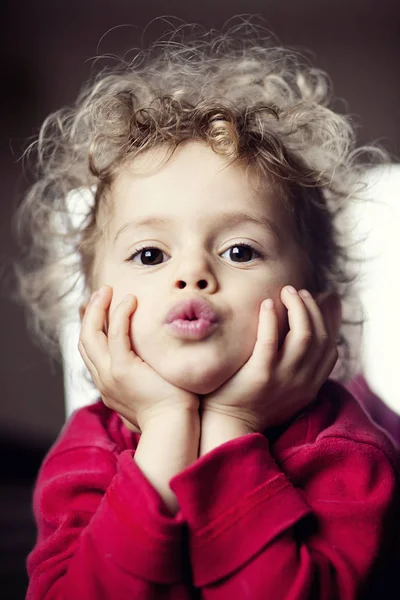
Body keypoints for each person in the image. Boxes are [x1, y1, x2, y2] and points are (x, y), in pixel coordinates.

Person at [16, 25, 400, 599]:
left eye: (240, 251)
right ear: (93, 316)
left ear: (317, 313)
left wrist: (233, 425)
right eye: (150, 254)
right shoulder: (85, 451)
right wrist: (167, 426)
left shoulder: (347, 451)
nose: (192, 273)